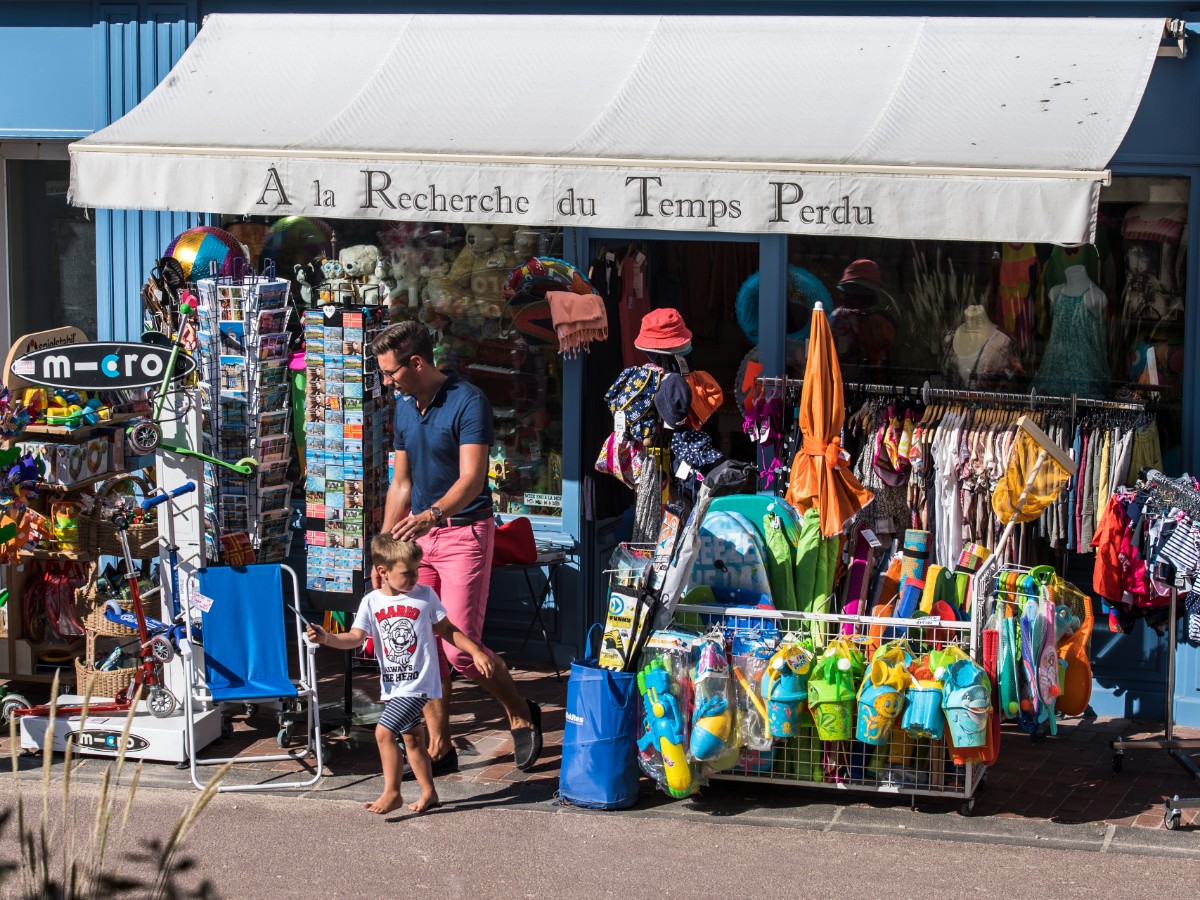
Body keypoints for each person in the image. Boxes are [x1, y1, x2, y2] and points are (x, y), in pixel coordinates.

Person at [368, 319, 542, 776]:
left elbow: (472, 480)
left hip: (463, 532)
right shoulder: (404, 407)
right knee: (421, 646)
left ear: (417, 362)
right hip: (417, 540)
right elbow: (401, 484)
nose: (386, 383)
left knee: (460, 650)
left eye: (390, 373)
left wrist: (432, 515)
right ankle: (441, 747)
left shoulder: (468, 401)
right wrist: (385, 550)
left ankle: (521, 712)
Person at [306, 534, 493, 815]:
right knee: (413, 738)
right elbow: (355, 638)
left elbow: (448, 630)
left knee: (383, 732)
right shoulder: (371, 601)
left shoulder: (425, 596)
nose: (415, 577)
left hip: (420, 683)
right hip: (393, 684)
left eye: (417, 570)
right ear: (383, 572)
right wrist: (327, 638)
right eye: (407, 573)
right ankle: (429, 793)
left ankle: (392, 793)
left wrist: (476, 652)